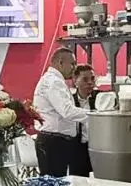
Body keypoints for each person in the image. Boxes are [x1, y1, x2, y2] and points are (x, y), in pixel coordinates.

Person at [33, 48, 89, 177]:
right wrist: (95, 115)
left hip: (54, 141)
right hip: (54, 142)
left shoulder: (52, 80)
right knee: (54, 183)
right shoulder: (54, 82)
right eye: (72, 64)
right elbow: (67, 111)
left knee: (55, 182)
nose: (74, 68)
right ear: (61, 63)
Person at [70, 64, 97, 177]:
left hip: (98, 148)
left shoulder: (101, 98)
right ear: (75, 81)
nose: (90, 82)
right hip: (77, 149)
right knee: (79, 181)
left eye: (92, 79)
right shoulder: (69, 102)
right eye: (85, 79)